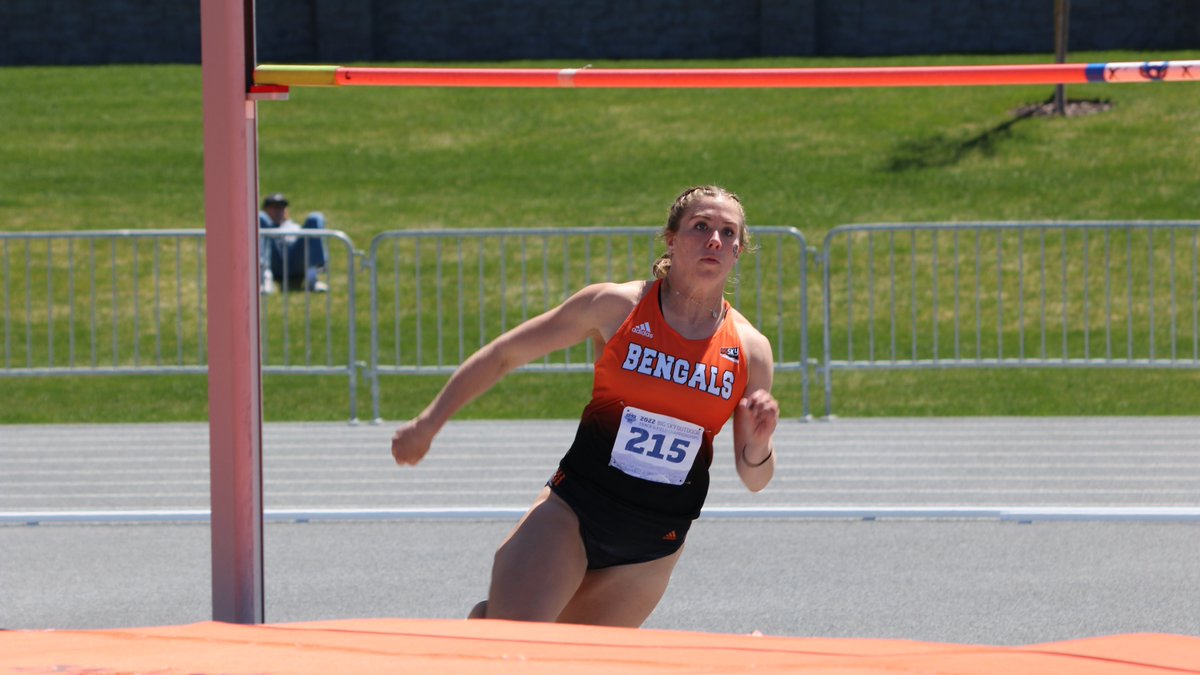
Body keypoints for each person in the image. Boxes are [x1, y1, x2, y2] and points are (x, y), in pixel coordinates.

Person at [390, 185, 780, 628]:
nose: (714, 239)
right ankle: (490, 628)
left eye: (728, 233)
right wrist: (428, 422)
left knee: (573, 659)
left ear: (739, 251)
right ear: (671, 240)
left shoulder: (750, 350)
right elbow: (506, 354)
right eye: (701, 227)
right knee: (515, 641)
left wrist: (760, 443)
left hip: (654, 545)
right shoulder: (616, 306)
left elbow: (755, 478)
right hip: (575, 510)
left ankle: (485, 623)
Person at [258, 193, 329, 294]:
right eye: (274, 207)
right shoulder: (263, 224)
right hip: (274, 261)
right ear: (265, 210)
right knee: (260, 219)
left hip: (296, 260)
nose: (279, 211)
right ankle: (265, 278)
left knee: (315, 218)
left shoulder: (293, 226)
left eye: (282, 208)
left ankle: (312, 278)